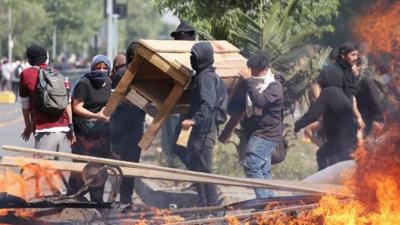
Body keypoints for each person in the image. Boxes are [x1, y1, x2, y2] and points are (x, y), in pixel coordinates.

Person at [238, 53, 284, 199]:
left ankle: (263, 203)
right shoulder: (257, 83)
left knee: (251, 164)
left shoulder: (275, 87)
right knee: (264, 169)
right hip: (260, 132)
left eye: (253, 70)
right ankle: (271, 205)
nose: (250, 73)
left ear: (261, 69)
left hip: (268, 134)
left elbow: (260, 102)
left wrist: (248, 81)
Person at [181, 42, 220, 206]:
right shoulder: (201, 75)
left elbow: (208, 104)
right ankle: (204, 203)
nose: (191, 60)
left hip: (204, 131)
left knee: (204, 171)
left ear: (203, 58)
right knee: (196, 166)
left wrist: (194, 120)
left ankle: (214, 206)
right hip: (198, 131)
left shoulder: (206, 78)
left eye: (194, 57)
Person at [68, 54, 111, 203]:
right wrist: (96, 116)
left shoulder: (108, 83)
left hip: (100, 136)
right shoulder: (84, 84)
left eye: (105, 68)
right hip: (83, 135)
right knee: (79, 170)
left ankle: (97, 203)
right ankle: (72, 200)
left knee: (99, 171)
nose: (101, 70)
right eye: (98, 67)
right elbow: (76, 107)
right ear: (92, 68)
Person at [19, 44, 73, 154]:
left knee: (42, 167)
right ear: (46, 58)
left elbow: (25, 104)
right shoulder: (58, 74)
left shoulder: (26, 74)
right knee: (57, 167)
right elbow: (67, 102)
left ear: (29, 60)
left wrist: (28, 126)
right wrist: (71, 126)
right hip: (63, 127)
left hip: (44, 128)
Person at [110, 42, 145, 204]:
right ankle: (124, 197)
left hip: (124, 127)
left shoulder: (123, 73)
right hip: (127, 128)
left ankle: (123, 197)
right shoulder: (133, 74)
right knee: (128, 165)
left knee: (123, 165)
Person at [294, 86, 357, 170]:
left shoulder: (328, 94)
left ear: (319, 87)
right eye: (310, 95)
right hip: (340, 139)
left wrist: (297, 125)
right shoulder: (334, 98)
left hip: (344, 139)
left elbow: (313, 113)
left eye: (312, 93)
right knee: (322, 154)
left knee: (342, 160)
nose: (312, 97)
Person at [161, 21, 197, 168]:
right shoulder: (175, 57)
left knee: (195, 149)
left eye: (183, 36)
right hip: (183, 111)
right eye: (178, 37)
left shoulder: (198, 54)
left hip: (197, 112)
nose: (179, 40)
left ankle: (206, 185)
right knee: (179, 147)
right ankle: (197, 177)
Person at [352, 59, 384, 137]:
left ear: (358, 66)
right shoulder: (349, 80)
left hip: (363, 121)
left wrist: (377, 120)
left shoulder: (365, 82)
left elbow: (376, 102)